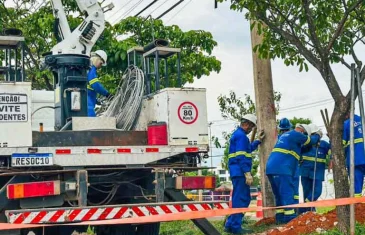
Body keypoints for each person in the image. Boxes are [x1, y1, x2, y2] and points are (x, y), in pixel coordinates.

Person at [266, 123, 320, 224]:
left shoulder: (285, 137)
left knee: (279, 194)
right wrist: (317, 135)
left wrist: (309, 147)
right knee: (287, 192)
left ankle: (280, 218)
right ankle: (290, 218)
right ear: (302, 132)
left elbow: (301, 150)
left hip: (271, 169)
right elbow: (310, 140)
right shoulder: (296, 134)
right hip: (283, 169)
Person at [224, 114, 265, 234]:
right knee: (242, 198)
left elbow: (247, 149)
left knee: (239, 197)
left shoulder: (238, 135)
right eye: (251, 127)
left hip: (237, 172)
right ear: (246, 124)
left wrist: (258, 141)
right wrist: (247, 172)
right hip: (240, 171)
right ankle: (235, 227)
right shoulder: (241, 136)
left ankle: (230, 224)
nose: (251, 130)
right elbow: (241, 156)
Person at [299, 125, 331, 213]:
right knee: (306, 192)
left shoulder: (324, 144)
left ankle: (304, 208)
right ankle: (310, 211)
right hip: (305, 172)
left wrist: (331, 138)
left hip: (318, 173)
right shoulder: (305, 144)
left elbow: (333, 151)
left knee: (317, 191)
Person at [275, 118, 301, 219]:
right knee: (292, 192)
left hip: (279, 168)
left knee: (281, 192)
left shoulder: (278, 138)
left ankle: (280, 217)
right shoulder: (292, 137)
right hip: (291, 167)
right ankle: (292, 216)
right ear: (290, 128)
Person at [343, 114, 365, 198]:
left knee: (357, 187)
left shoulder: (346, 123)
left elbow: (341, 144)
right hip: (361, 157)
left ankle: (357, 207)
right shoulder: (362, 120)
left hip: (355, 160)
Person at [87, 50, 111, 117]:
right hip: (87, 103)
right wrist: (107, 94)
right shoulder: (91, 69)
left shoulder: (88, 68)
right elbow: (95, 85)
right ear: (97, 59)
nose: (100, 66)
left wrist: (96, 100)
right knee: (91, 122)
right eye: (101, 63)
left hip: (87, 100)